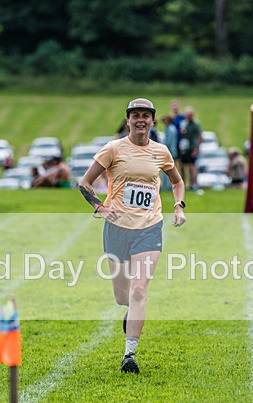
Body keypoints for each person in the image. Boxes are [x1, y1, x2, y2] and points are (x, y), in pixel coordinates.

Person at [77, 98, 186, 374]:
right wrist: (99, 207)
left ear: (152, 121)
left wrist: (178, 206)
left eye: (146, 116)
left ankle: (129, 354)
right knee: (122, 296)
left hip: (149, 227)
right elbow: (84, 183)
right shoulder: (113, 149)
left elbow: (177, 181)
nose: (140, 120)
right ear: (128, 120)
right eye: (135, 115)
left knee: (140, 289)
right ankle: (131, 311)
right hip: (117, 228)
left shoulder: (161, 152)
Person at [179, 106, 202, 191]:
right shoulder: (183, 123)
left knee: (192, 167)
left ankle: (194, 184)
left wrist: (196, 149)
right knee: (182, 166)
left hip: (192, 148)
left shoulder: (195, 124)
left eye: (190, 115)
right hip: (184, 148)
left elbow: (199, 136)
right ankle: (183, 185)